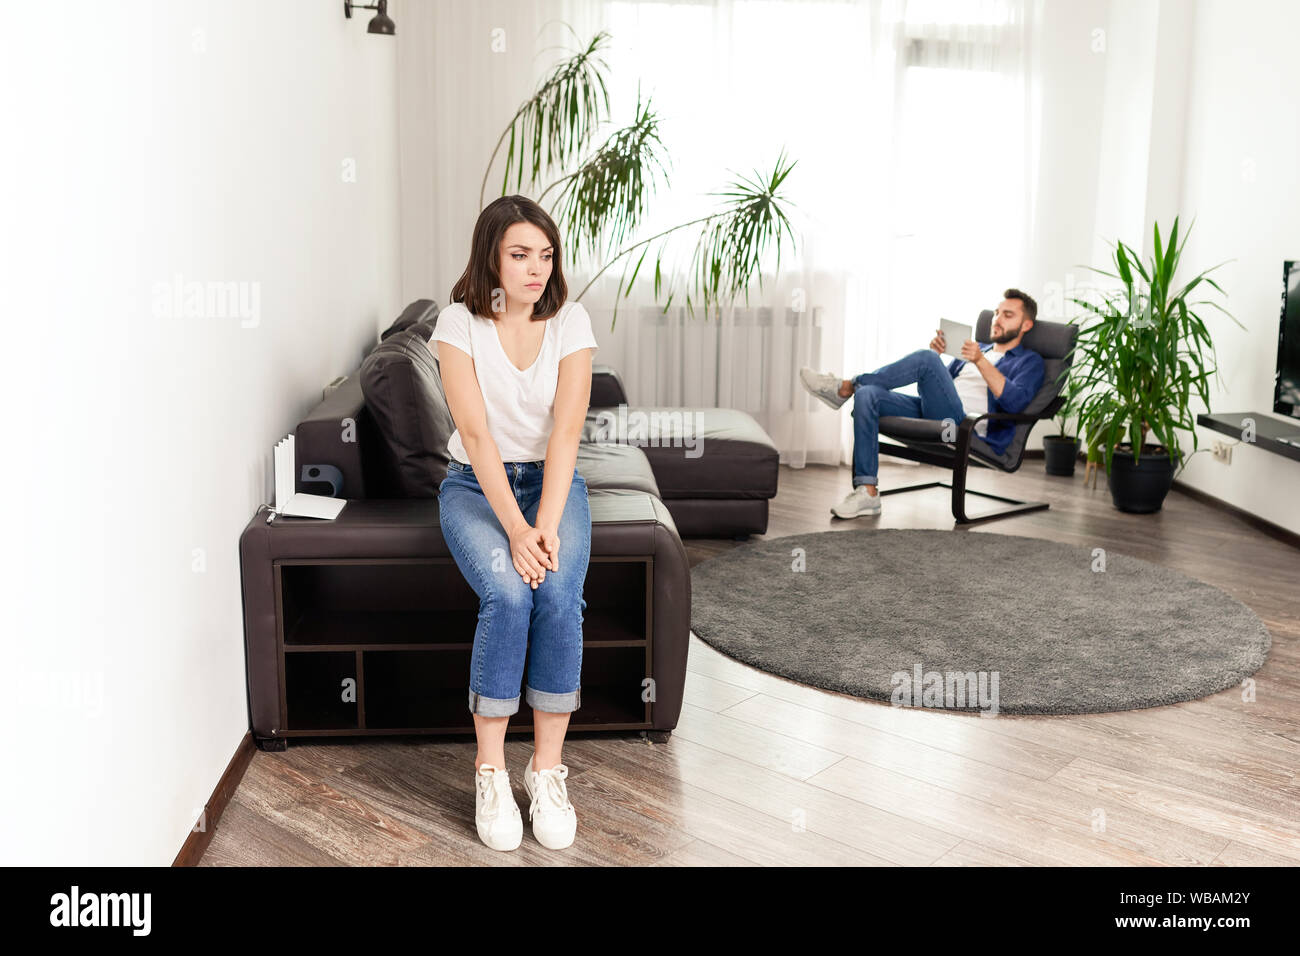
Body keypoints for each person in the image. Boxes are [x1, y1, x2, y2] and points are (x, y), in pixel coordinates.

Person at [429, 194, 599, 852]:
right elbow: (476, 435)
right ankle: (492, 772)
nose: (536, 269)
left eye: (545, 255)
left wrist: (543, 525)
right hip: (477, 486)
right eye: (520, 255)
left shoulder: (570, 321)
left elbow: (566, 432)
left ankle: (545, 770)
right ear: (491, 259)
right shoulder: (458, 323)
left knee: (557, 591)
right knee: (507, 591)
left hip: (552, 485)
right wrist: (515, 529)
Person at [799, 288, 1045, 518]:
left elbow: (1015, 403)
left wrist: (977, 361)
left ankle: (845, 387)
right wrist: (937, 357)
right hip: (937, 413)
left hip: (959, 428)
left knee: (925, 361)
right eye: (996, 313)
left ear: (1026, 325)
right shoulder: (978, 349)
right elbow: (943, 386)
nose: (997, 319)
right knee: (868, 395)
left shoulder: (1030, 361)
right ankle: (867, 492)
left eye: (1008, 315)